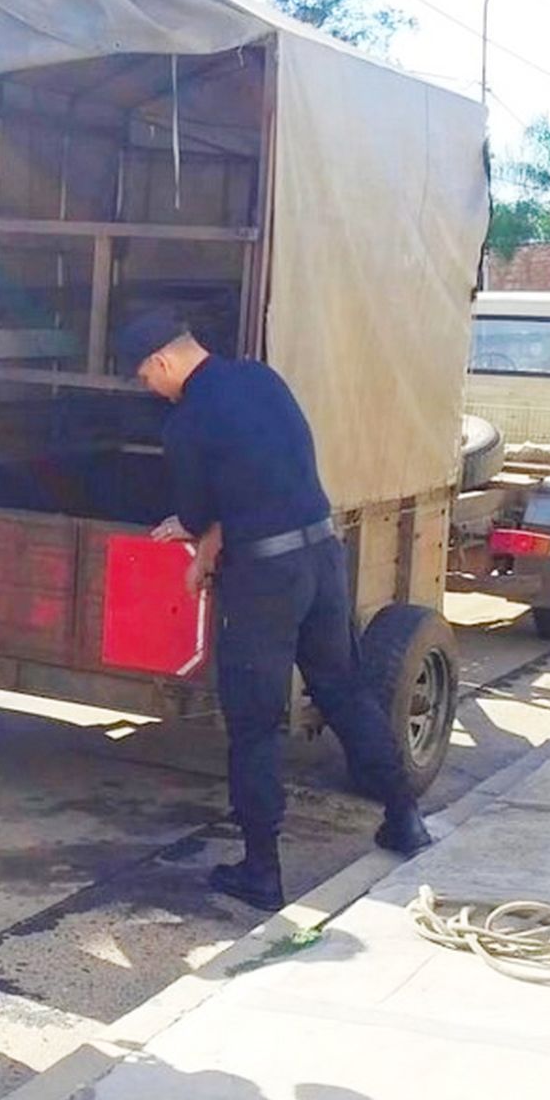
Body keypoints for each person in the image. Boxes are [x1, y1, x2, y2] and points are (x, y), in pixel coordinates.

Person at [114, 308, 432, 913]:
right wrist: (215, 526)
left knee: (254, 723)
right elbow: (278, 468)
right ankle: (404, 816)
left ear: (161, 362)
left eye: (144, 378)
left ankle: (261, 871)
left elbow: (197, 508)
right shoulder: (264, 380)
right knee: (343, 690)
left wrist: (198, 532)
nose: (147, 389)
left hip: (264, 577)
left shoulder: (187, 423)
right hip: (321, 555)